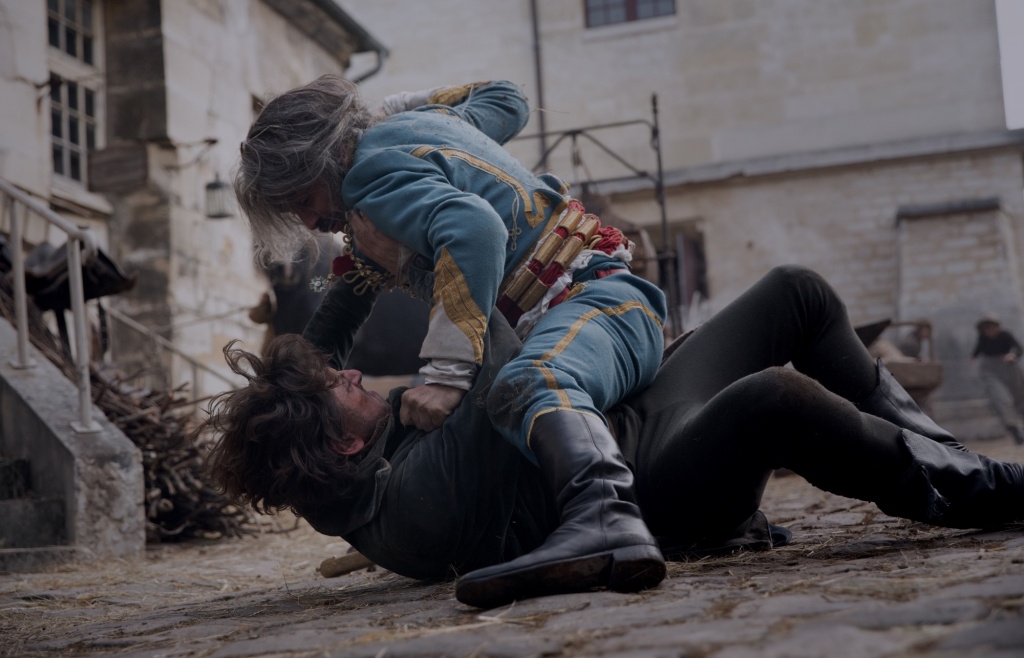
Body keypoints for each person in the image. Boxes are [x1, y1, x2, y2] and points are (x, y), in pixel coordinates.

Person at [201, 265, 1024, 609]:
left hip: (632, 422)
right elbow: (500, 349)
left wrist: (366, 263)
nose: (352, 375)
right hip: (657, 487)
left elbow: (375, 347)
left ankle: (944, 448)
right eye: (336, 388)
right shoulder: (410, 506)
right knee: (773, 397)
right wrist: (424, 247)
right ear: (340, 447)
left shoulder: (371, 460)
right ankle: (965, 490)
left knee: (795, 293)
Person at [233, 77, 670, 598]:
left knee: (530, 382)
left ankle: (605, 519)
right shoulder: (422, 128)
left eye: (305, 199)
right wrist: (287, 387)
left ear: (327, 160)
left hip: (591, 304)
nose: (308, 220)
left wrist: (446, 374)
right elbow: (508, 100)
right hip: (599, 293)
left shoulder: (367, 179)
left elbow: (477, 229)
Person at [972, 316, 1024, 445]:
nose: (990, 331)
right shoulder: (982, 338)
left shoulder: (1005, 335)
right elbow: (978, 350)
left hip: (1009, 368)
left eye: (991, 328)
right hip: (991, 371)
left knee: (1020, 398)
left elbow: (1018, 349)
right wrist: (972, 358)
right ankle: (1014, 430)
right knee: (1003, 400)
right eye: (986, 329)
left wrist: (1012, 355)